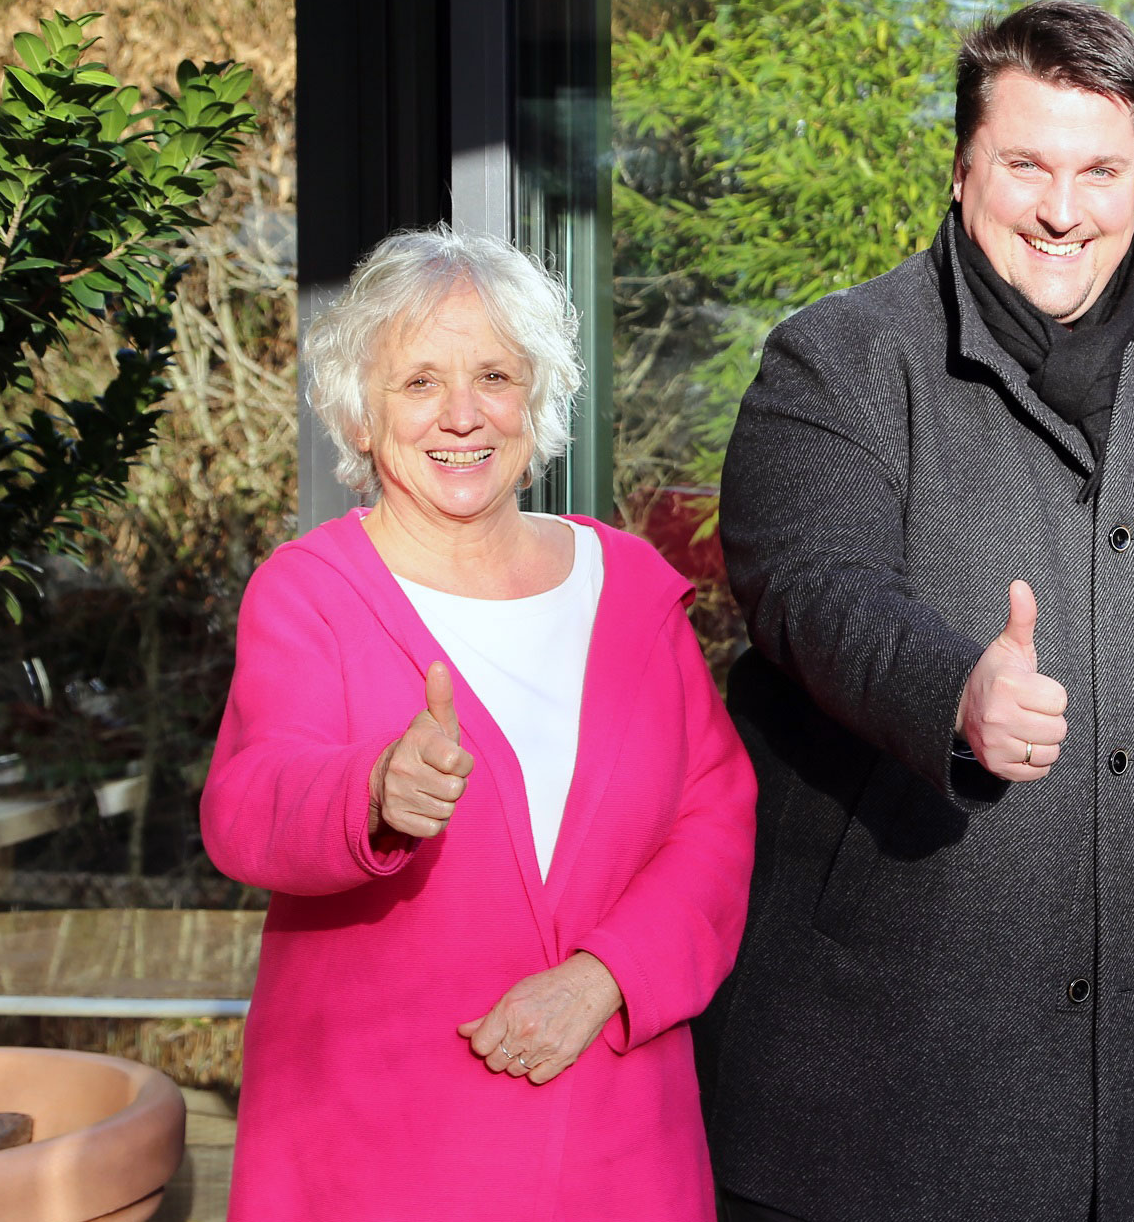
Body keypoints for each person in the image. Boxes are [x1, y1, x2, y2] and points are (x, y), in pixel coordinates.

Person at [699, 0, 1134, 1222]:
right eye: (1026, 164)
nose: (1060, 206)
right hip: (883, 1102)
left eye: (1099, 169)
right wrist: (954, 694)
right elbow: (811, 589)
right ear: (963, 164)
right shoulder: (834, 359)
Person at [201, 225, 755, 1221]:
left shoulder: (626, 585)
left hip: (617, 1143)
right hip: (374, 1158)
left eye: (494, 374)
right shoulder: (306, 592)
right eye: (418, 382)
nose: (462, 414)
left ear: (534, 397)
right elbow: (246, 803)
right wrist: (369, 789)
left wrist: (603, 977)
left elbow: (714, 818)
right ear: (362, 415)